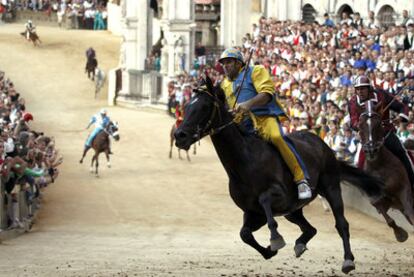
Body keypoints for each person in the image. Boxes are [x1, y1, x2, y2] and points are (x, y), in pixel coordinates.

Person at [218, 48, 312, 199]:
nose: (225, 66)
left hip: (264, 118)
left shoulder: (255, 71)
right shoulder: (224, 84)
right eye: (223, 63)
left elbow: (267, 94)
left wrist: (248, 104)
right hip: (242, 123)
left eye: (228, 62)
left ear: (238, 63)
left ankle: (301, 179)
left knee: (276, 137)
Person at [348, 75, 414, 187]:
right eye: (358, 89)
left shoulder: (381, 95)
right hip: (368, 137)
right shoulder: (353, 102)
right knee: (359, 163)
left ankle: (412, 180)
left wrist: (401, 117)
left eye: (363, 88)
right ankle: (363, 189)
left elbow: (402, 107)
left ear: (369, 88)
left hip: (386, 133)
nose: (360, 92)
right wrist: (361, 125)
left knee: (402, 152)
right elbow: (353, 121)